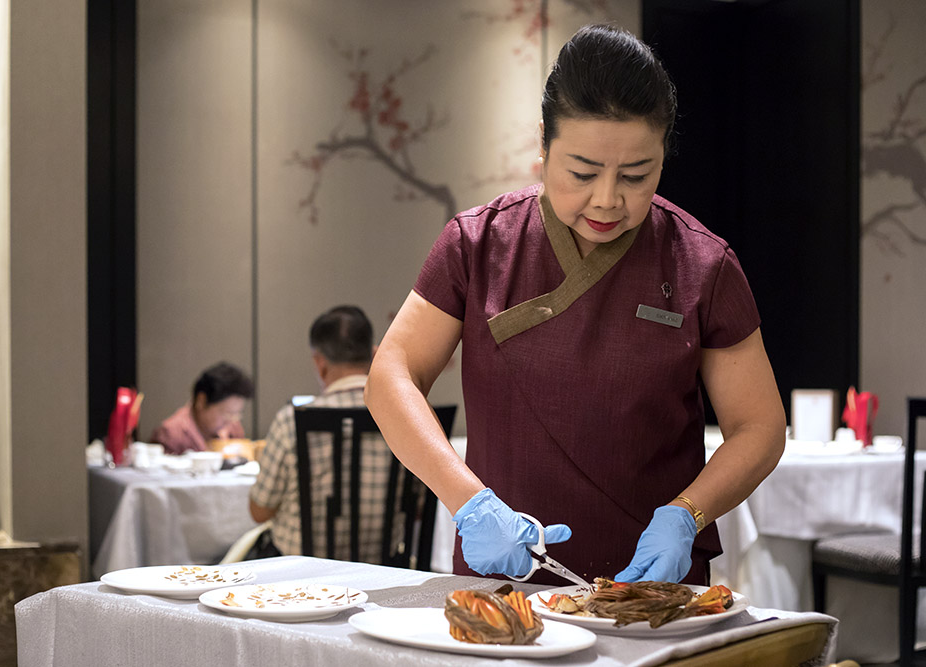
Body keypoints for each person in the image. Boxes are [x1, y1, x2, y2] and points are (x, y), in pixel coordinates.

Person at [364, 24, 785, 586]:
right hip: (502, 587)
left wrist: (688, 514)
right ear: (543, 143)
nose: (607, 199)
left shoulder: (702, 264)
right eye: (582, 173)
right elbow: (391, 375)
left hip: (654, 594)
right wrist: (468, 502)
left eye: (636, 175)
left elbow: (759, 426)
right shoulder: (478, 244)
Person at [249, 305, 400, 562]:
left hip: (302, 575)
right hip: (385, 572)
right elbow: (419, 509)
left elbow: (260, 511)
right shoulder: (403, 419)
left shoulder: (290, 421)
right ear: (375, 355)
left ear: (320, 364)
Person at [150, 361, 254, 455]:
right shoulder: (171, 434)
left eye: (236, 413)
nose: (232, 420)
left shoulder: (233, 428)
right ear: (201, 401)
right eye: (226, 414)